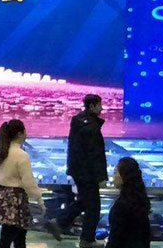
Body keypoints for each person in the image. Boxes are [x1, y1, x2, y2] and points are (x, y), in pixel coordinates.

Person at [57, 94, 107, 246]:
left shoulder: (79, 122)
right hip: (88, 173)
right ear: (92, 106)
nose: (102, 108)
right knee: (93, 206)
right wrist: (101, 177)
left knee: (86, 201)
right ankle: (86, 239)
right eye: (99, 105)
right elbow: (95, 155)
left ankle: (60, 223)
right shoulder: (90, 127)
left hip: (79, 171)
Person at [0, 119, 43, 248]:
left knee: (14, 235)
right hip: (16, 199)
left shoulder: (1, 152)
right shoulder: (21, 155)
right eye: (25, 131)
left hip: (1, 196)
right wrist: (39, 200)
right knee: (10, 237)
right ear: (19, 134)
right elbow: (28, 182)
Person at [107, 157, 152, 248]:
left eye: (115, 172)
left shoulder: (121, 206)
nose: (113, 176)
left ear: (124, 175)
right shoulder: (140, 201)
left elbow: (115, 239)